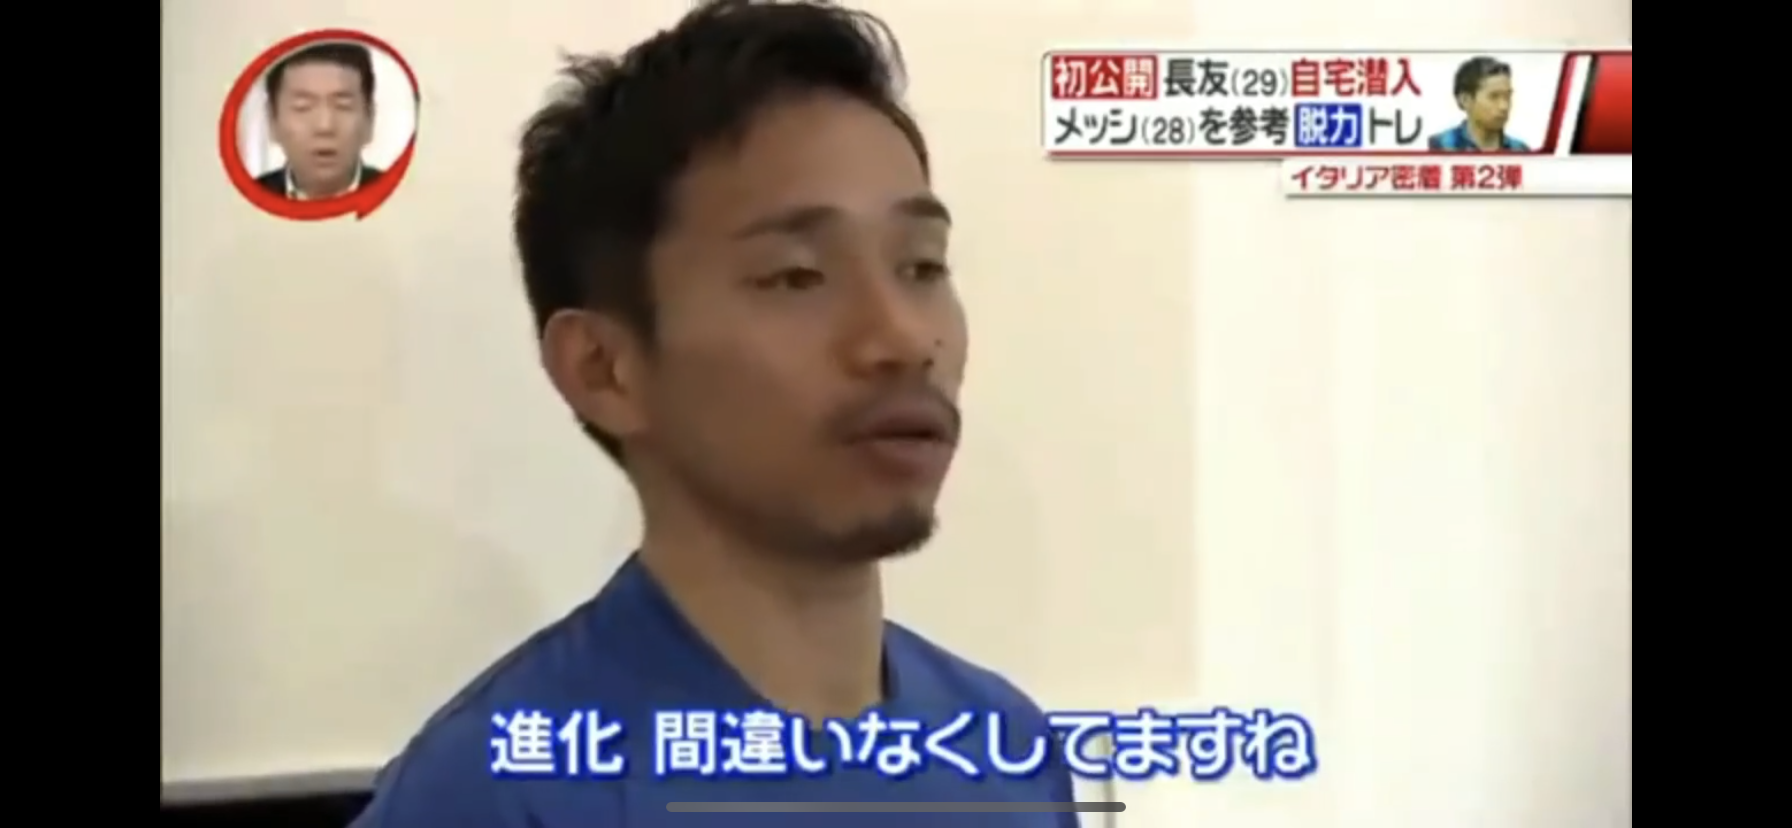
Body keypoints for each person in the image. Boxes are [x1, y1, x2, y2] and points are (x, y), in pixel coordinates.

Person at [349, 2, 1078, 826]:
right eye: (797, 276)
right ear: (603, 369)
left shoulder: (1006, 748)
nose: (905, 340)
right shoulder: (496, 793)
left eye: (922, 266)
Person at [254, 42, 387, 199]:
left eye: (343, 106)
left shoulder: (403, 199)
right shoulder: (241, 203)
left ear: (369, 119)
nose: (325, 126)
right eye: (303, 107)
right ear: (272, 120)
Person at [1427, 56, 1531, 152]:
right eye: (1493, 97)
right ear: (1465, 100)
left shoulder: (1520, 151)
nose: (1504, 106)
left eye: (1507, 96)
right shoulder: (1441, 146)